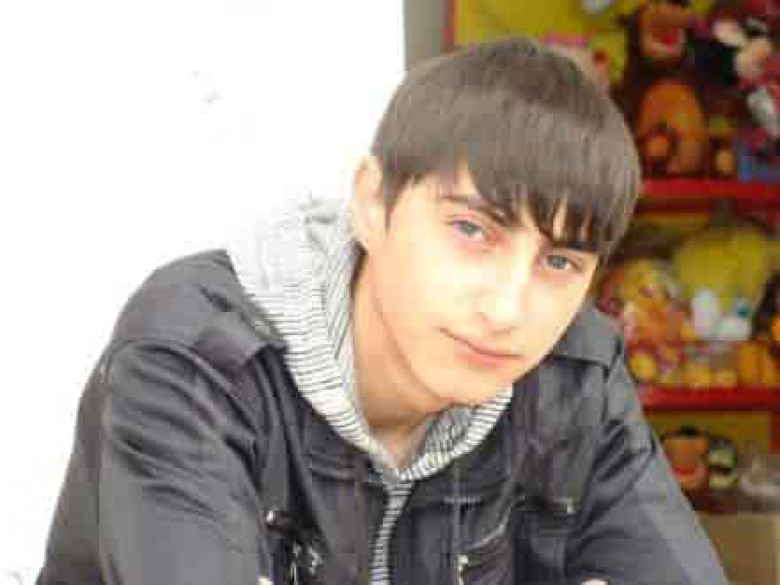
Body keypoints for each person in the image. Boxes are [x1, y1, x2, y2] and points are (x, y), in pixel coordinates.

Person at [36, 36, 727, 585]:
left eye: (560, 262)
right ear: (372, 203)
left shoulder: (575, 374)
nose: (507, 307)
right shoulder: (198, 356)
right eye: (471, 230)